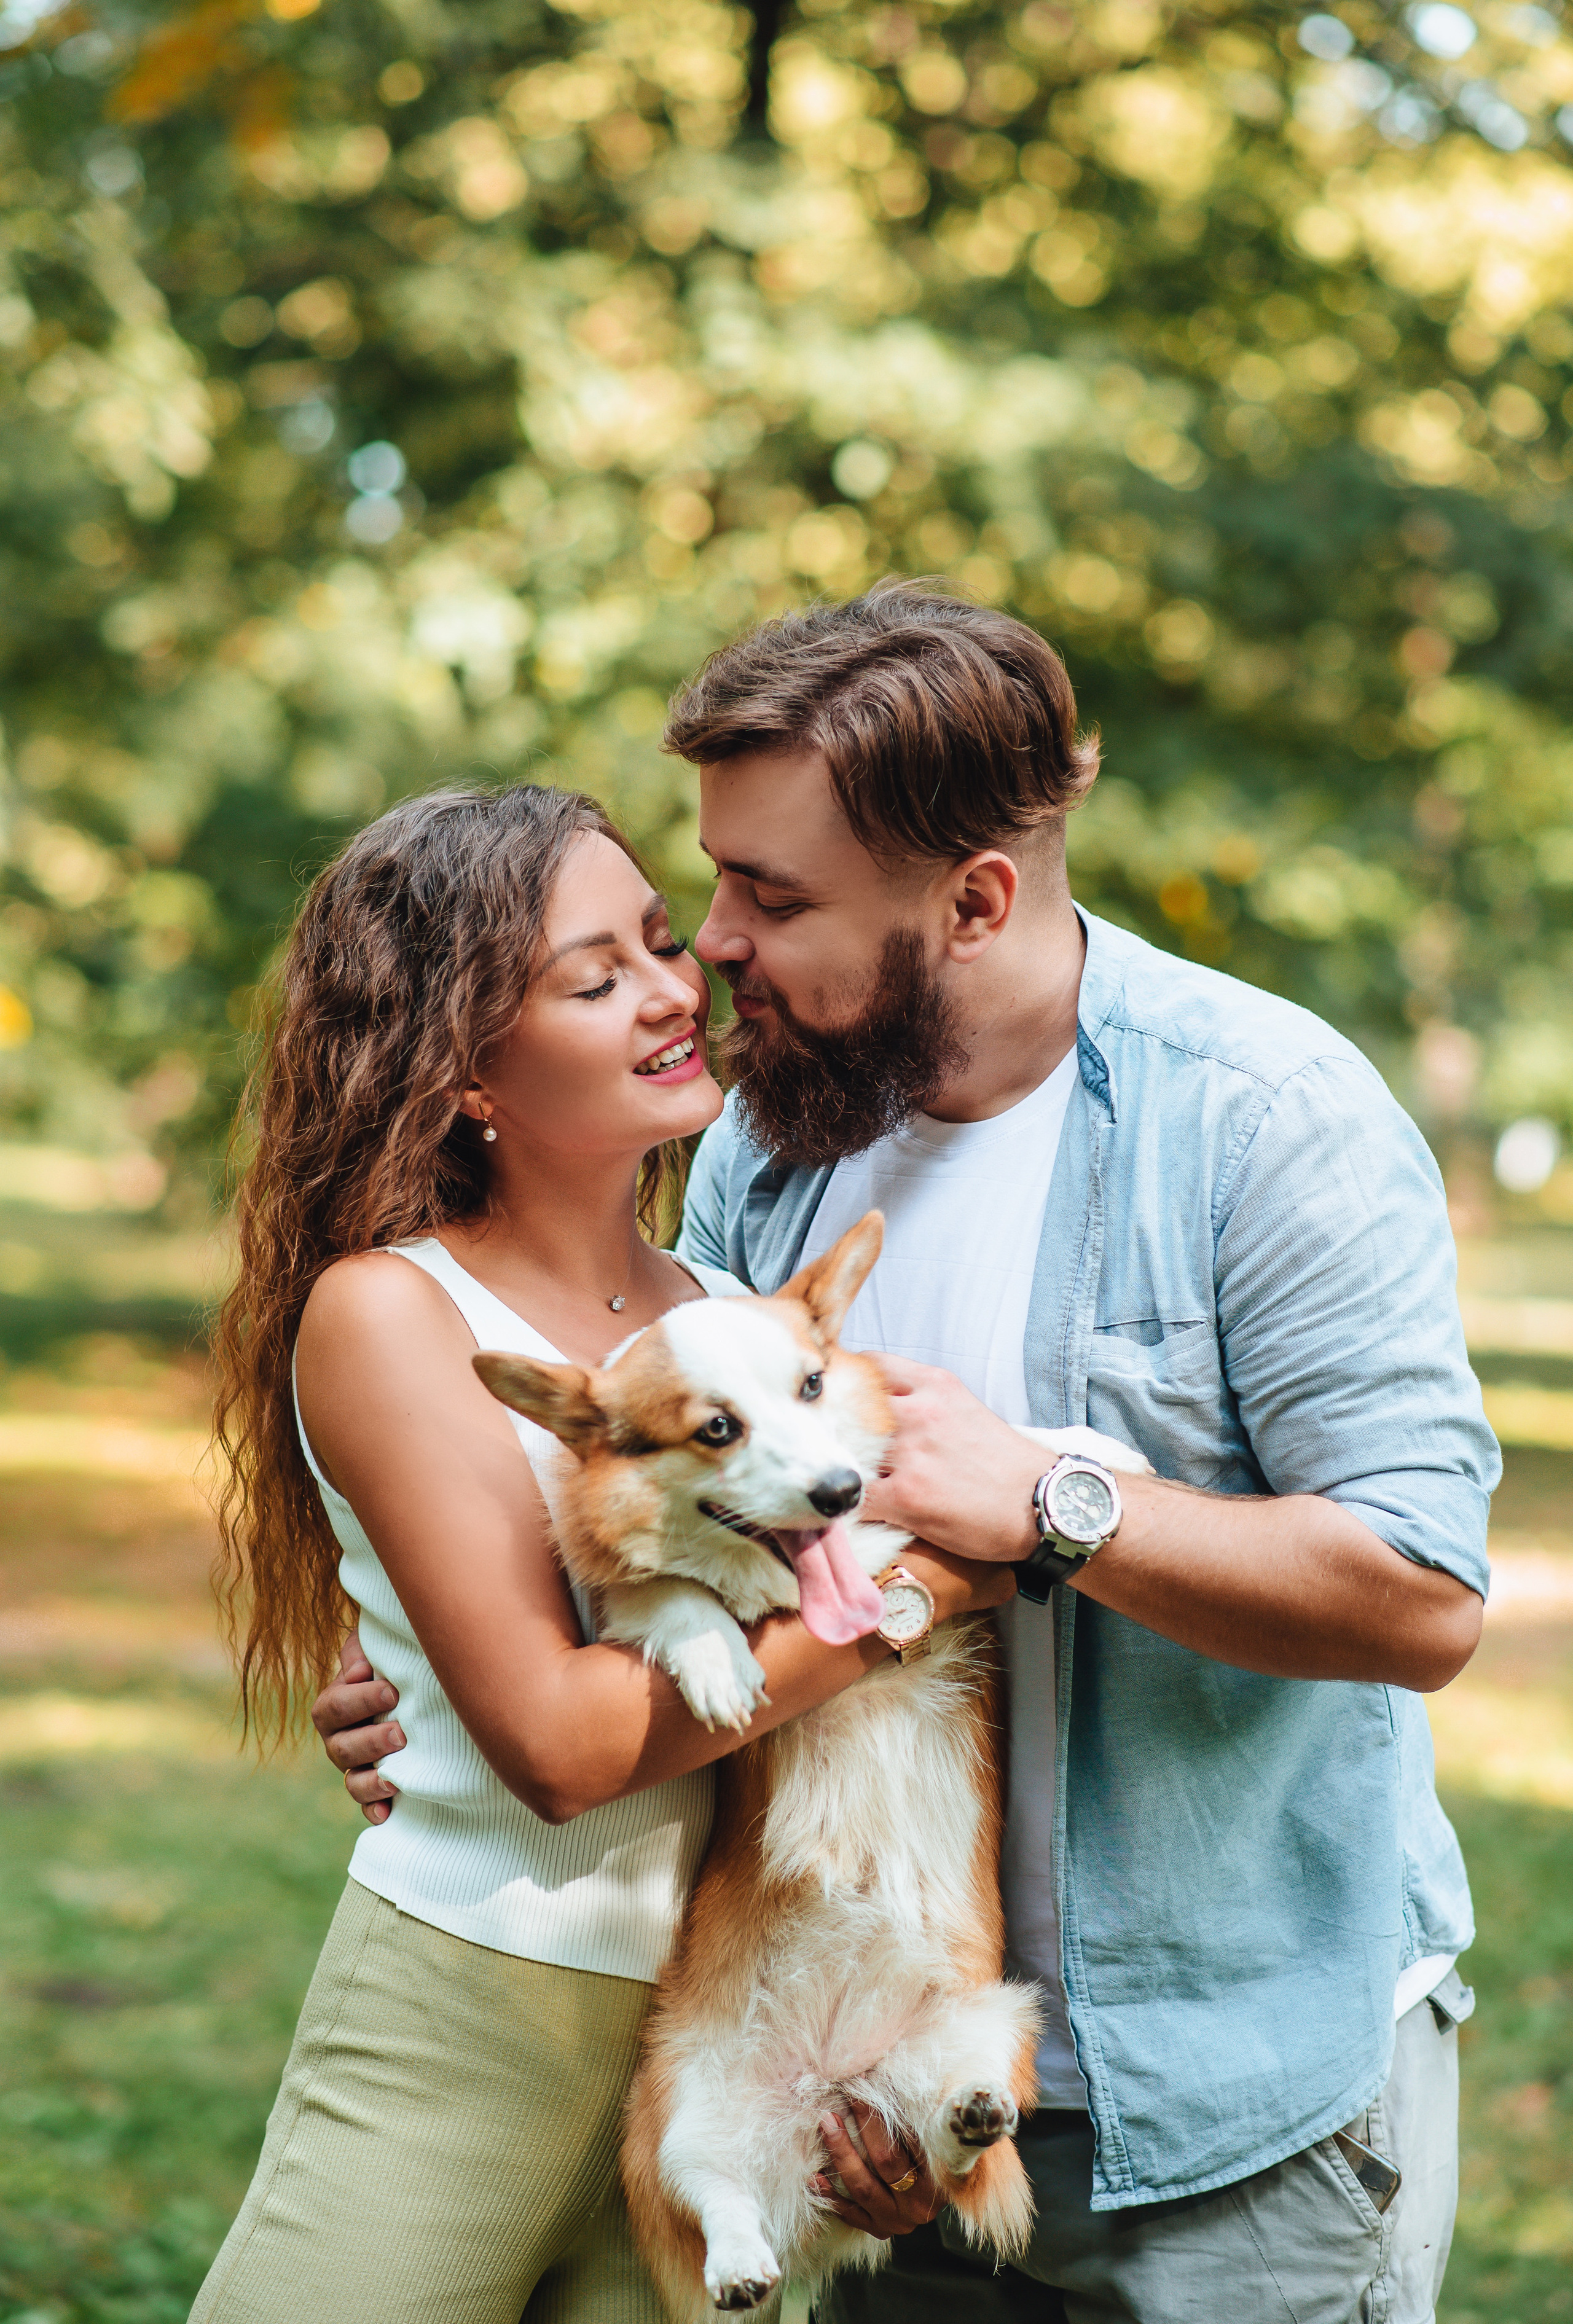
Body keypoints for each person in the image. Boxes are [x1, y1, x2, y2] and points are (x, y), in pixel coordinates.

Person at [318, 585, 1496, 2324]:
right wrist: (446, 1690)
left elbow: (1420, 1599)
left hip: (1234, 2096)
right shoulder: (775, 1156)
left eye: (770, 896)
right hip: (880, 2071)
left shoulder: (1264, 1121)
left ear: (977, 899)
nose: (713, 943)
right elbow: (686, 1537)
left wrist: (1050, 1506)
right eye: (714, 880)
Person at [193, 780, 1010, 2324]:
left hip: (733, 2015)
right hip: (476, 2003)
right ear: (464, 1069)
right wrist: (927, 1579)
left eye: (656, 939)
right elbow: (560, 1746)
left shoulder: (727, 1300)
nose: (668, 987)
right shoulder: (395, 1311)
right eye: (594, 976)